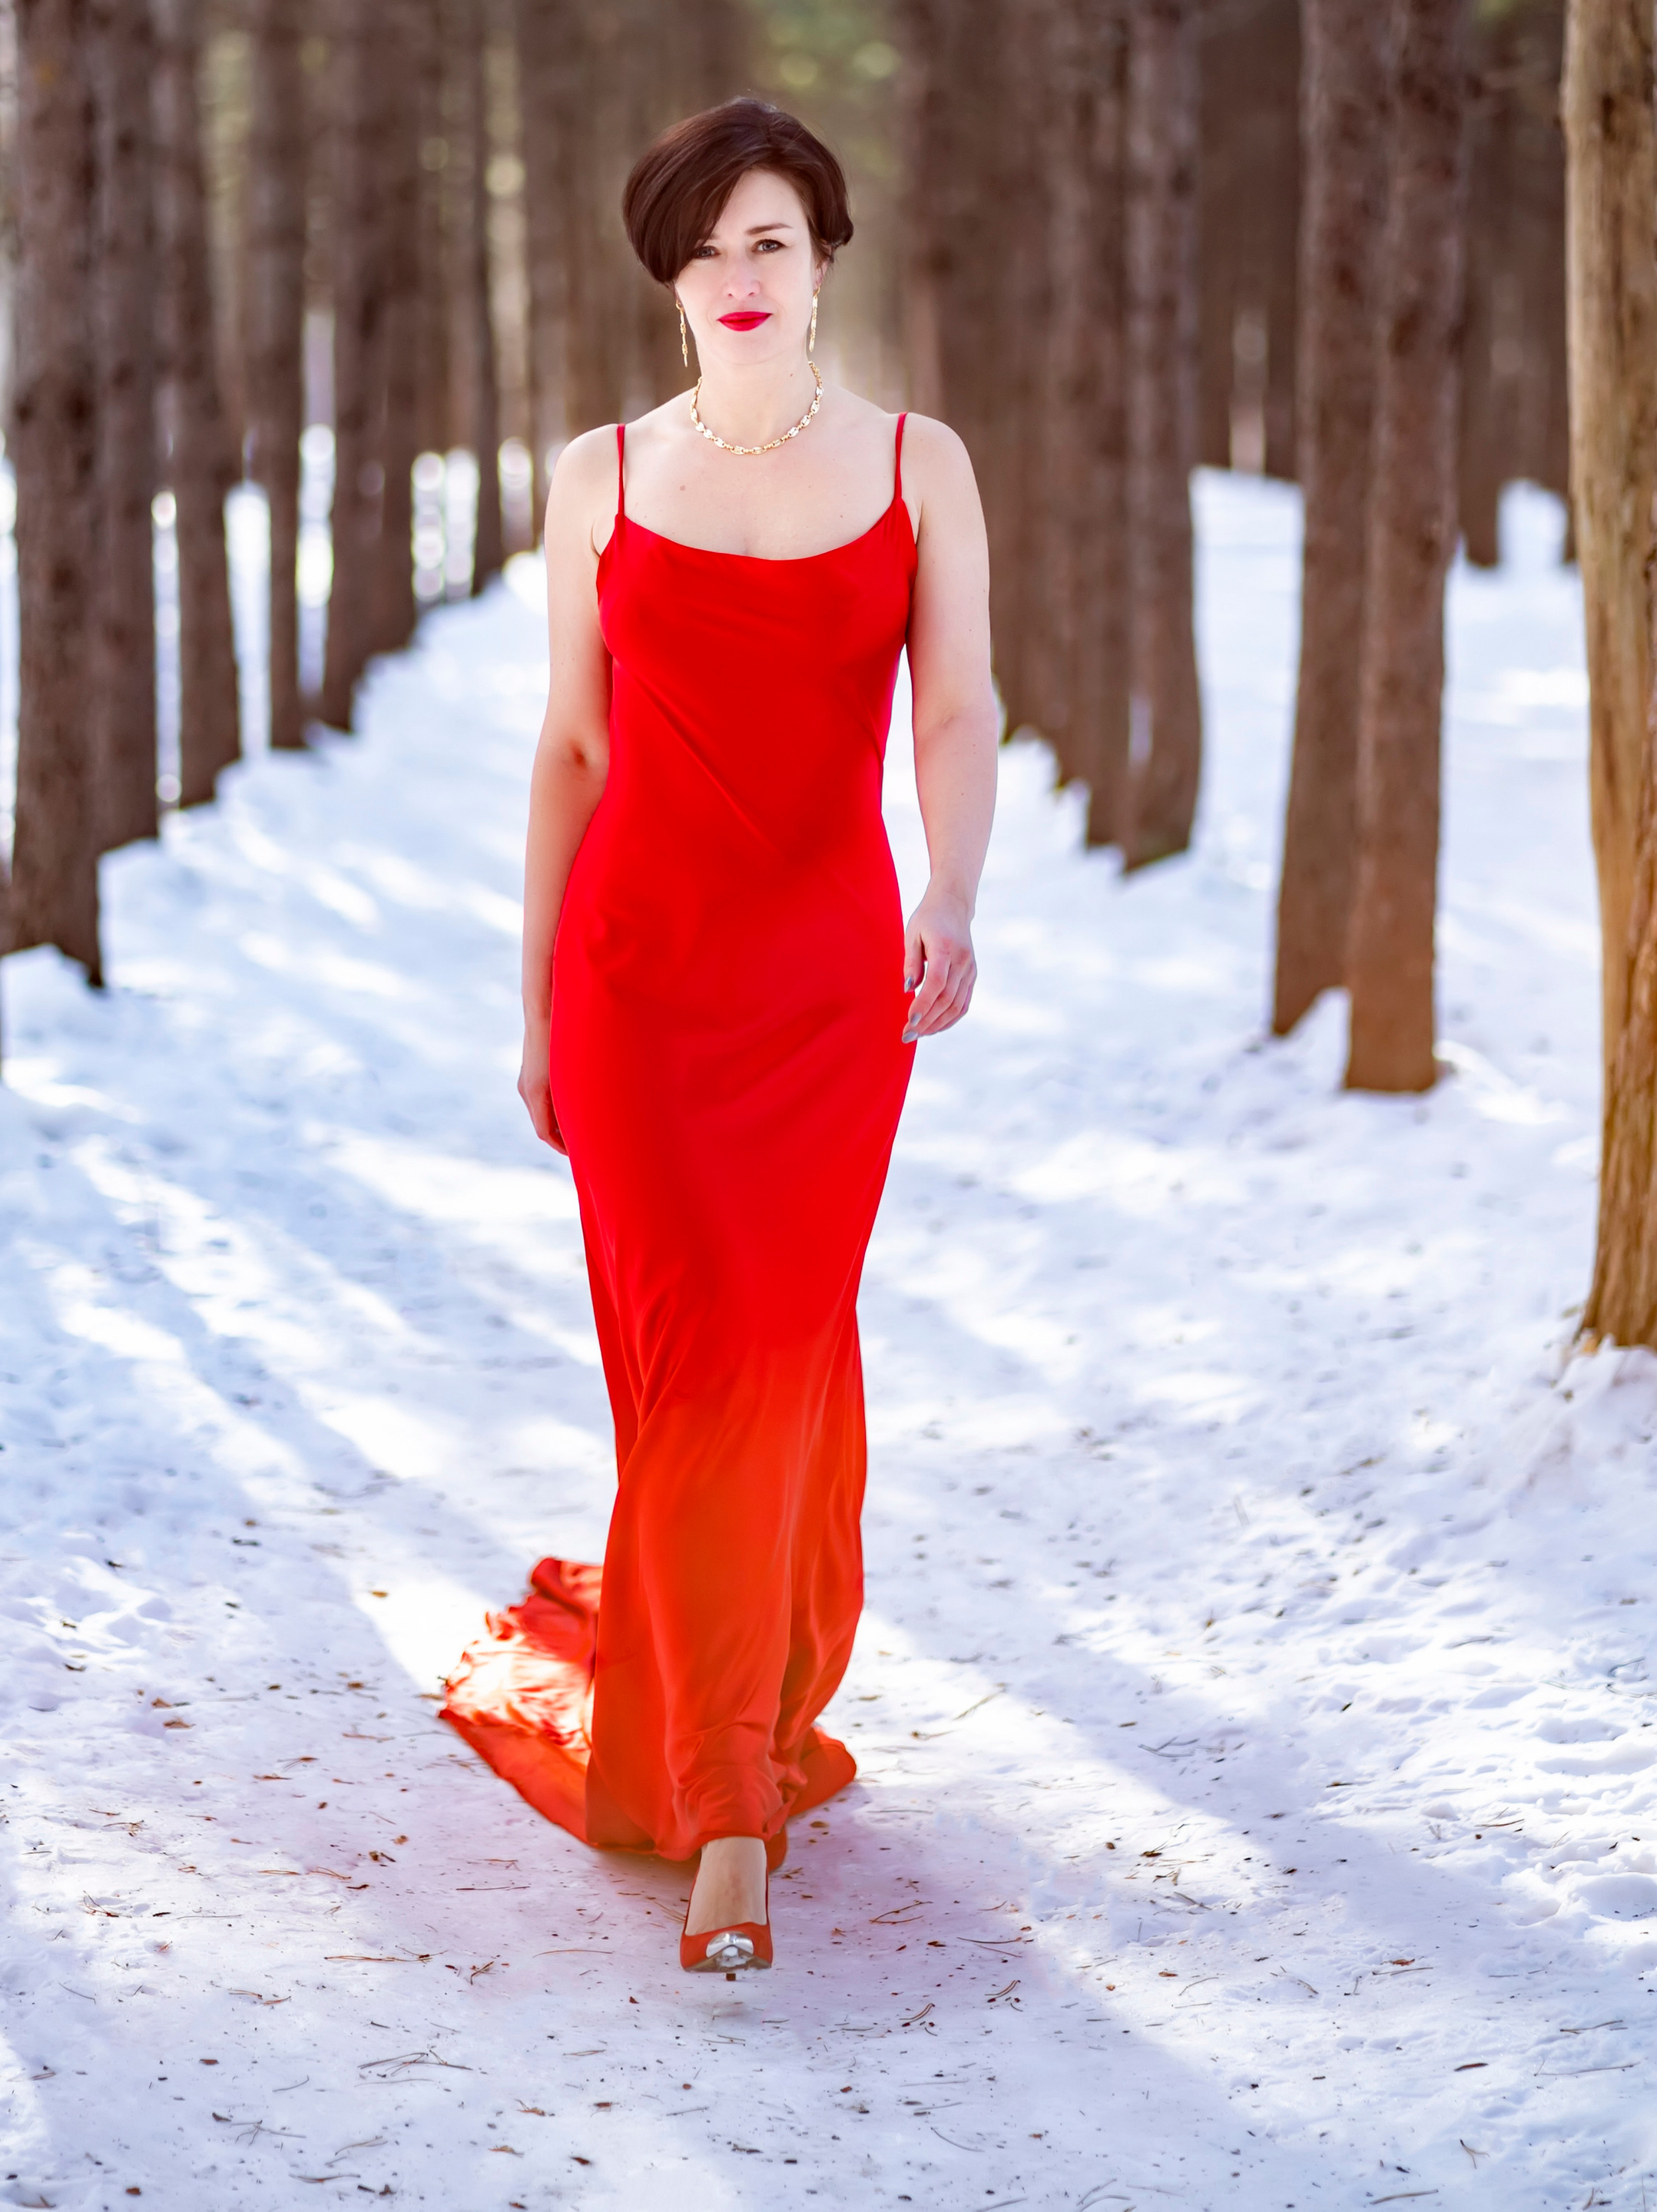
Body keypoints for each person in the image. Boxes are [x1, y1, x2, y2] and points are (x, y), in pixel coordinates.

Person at [442, 98, 996, 1977]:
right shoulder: (596, 475)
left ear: (823, 251)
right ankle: (725, 1807)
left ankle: (739, 1718)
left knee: (782, 1349)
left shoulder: (923, 466)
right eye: (701, 249)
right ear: (664, 276)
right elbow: (573, 750)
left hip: (830, 994)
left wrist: (952, 892)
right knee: (692, 1379)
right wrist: (531, 997)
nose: (735, 278)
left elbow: (958, 713)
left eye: (767, 240)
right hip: (638, 986)